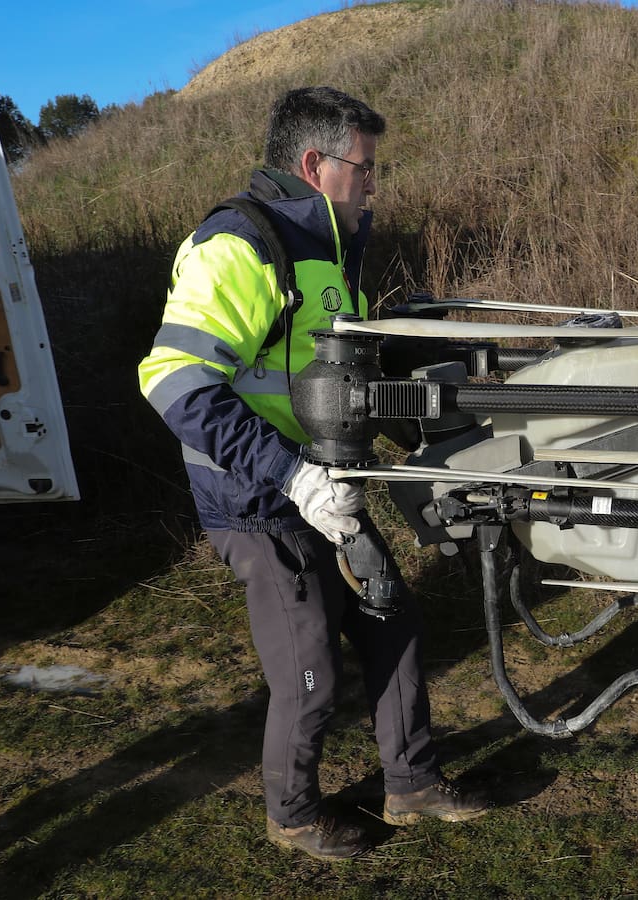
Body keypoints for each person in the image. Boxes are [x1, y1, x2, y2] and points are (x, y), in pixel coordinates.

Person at [138, 86, 489, 861]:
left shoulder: (329, 253)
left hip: (328, 492)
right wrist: (292, 478)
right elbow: (173, 380)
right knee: (311, 672)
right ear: (312, 163)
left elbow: (332, 376)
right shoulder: (239, 244)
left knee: (392, 619)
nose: (373, 184)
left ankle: (412, 784)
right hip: (258, 501)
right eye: (365, 168)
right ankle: (292, 814)